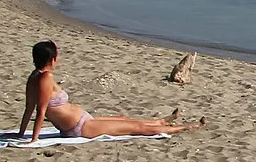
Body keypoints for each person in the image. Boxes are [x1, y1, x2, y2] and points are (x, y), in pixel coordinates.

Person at [21, 40, 205, 141]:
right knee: (137, 129)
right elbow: (40, 111)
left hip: (83, 120)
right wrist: (33, 139)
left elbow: (28, 108)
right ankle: (185, 126)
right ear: (52, 59)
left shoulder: (34, 76)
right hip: (80, 128)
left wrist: (21, 133)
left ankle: (160, 120)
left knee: (123, 120)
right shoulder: (46, 78)